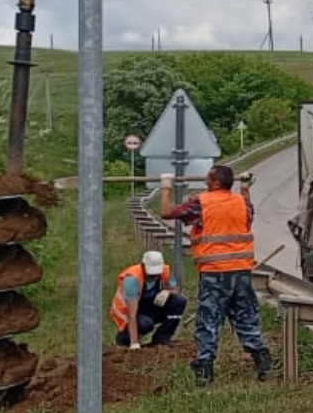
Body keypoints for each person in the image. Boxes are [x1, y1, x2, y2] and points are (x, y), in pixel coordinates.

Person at [160, 165, 271, 385]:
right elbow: (248, 217)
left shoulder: (202, 203)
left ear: (217, 183)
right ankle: (263, 362)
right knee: (246, 316)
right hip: (241, 271)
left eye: (208, 179)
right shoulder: (240, 202)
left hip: (214, 272)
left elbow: (166, 212)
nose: (205, 182)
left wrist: (166, 187)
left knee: (209, 319)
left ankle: (204, 367)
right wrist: (245, 188)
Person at [110, 249, 186, 348]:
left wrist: (167, 292)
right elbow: (131, 315)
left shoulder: (164, 271)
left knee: (179, 301)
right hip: (132, 311)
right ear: (142, 266)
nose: (154, 276)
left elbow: (176, 289)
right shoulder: (132, 279)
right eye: (151, 273)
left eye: (156, 273)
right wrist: (134, 343)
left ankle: (161, 339)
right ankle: (125, 338)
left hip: (151, 305)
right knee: (145, 324)